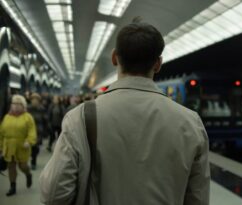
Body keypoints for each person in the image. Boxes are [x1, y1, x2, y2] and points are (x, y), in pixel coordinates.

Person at [40, 18, 210, 205]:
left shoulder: (79, 118)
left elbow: (54, 194)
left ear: (114, 58)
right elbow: (198, 199)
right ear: (158, 64)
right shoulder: (191, 122)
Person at [0, 95, 36, 196]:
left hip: (22, 147)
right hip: (9, 147)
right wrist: (1, 147)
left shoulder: (27, 117)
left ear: (23, 105)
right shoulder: (7, 117)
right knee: (11, 166)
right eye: (13, 103)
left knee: (23, 166)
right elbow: (1, 133)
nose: (15, 106)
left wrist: (29, 141)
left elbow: (32, 131)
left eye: (18, 104)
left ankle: (28, 174)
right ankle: (12, 186)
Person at [27, 93, 46, 170]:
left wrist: (45, 130)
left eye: (36, 100)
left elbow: (45, 119)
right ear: (31, 100)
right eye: (33, 100)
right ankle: (33, 160)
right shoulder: (28, 108)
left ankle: (33, 160)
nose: (34, 101)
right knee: (32, 147)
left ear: (38, 101)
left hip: (38, 131)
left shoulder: (42, 109)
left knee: (36, 147)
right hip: (29, 131)